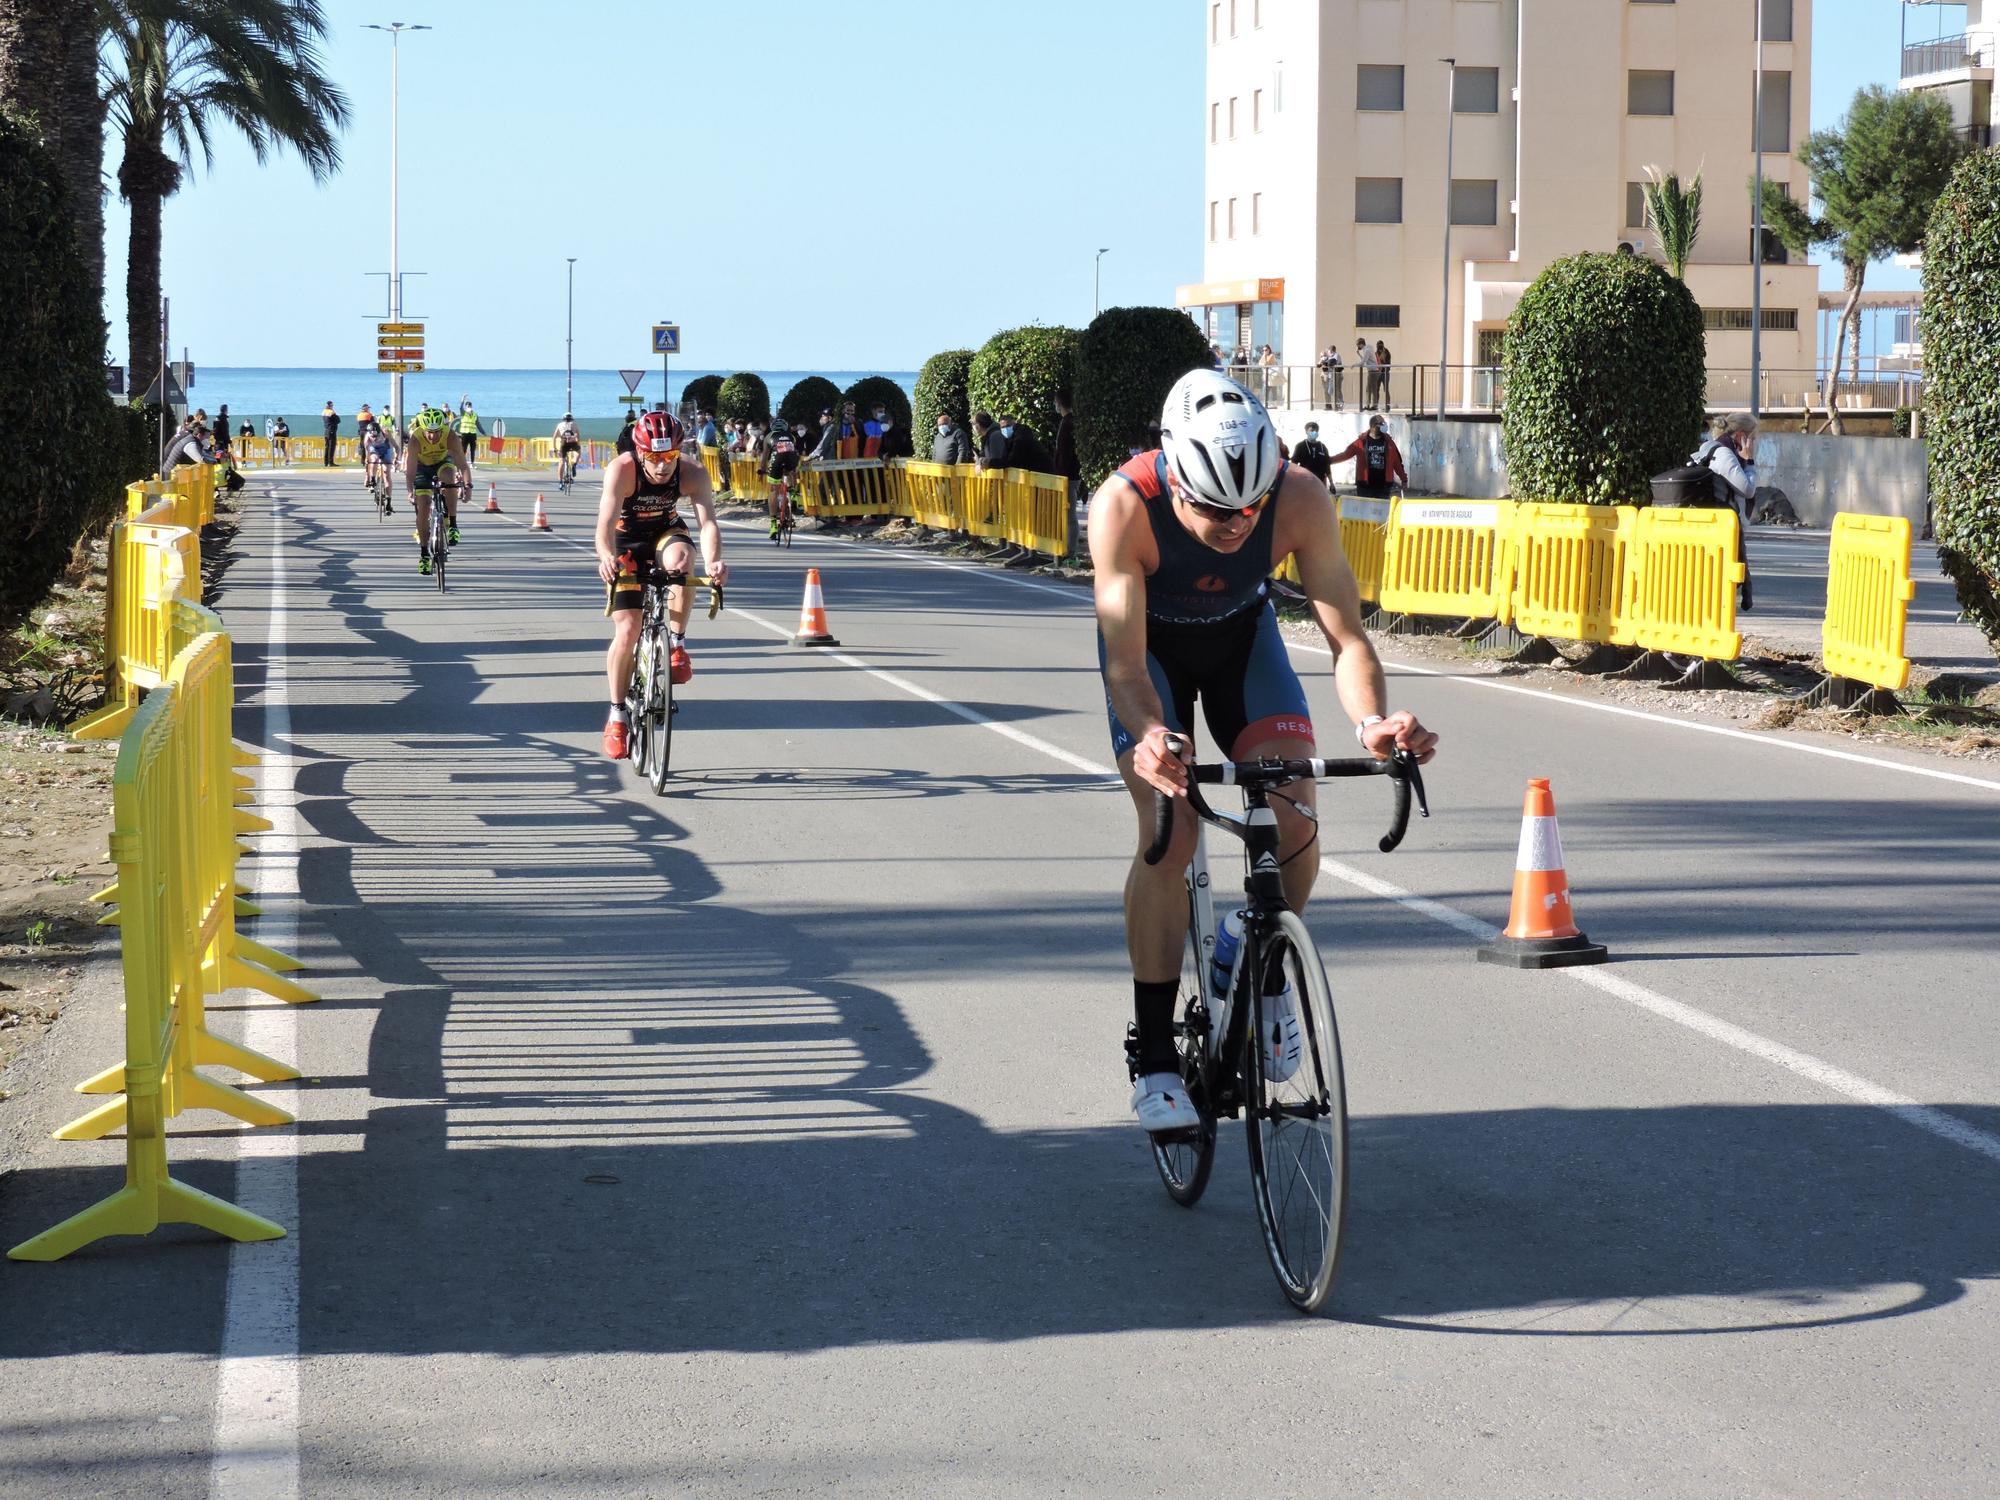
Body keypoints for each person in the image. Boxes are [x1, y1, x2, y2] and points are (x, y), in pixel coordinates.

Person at [1088, 370, 1438, 1133]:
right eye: (1215, 509)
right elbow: (1123, 663)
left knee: (1294, 815)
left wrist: (1374, 722)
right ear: (1173, 475)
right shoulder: (1123, 506)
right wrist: (1152, 738)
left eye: (1250, 507)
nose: (1238, 524)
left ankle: (1260, 963)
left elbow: (1346, 636)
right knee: (1172, 828)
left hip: (1243, 643)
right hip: (1152, 659)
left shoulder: (1302, 496)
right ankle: (1153, 1056)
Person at [594, 411, 729, 758]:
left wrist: (714, 560)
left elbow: (708, 522)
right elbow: (605, 524)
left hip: (665, 533)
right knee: (627, 631)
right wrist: (606, 556)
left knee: (683, 562)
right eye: (654, 457)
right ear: (639, 452)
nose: (662, 466)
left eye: (669, 456)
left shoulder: (692, 471)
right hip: (626, 543)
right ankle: (617, 715)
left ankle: (677, 645)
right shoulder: (622, 470)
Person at [1691, 413, 1759, 613]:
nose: (1754, 443)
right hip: (1720, 525)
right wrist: (1750, 462)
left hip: (1712, 522)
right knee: (1721, 577)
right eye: (1752, 438)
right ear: (1741, 436)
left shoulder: (1711, 447)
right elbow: (1747, 489)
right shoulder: (1724, 454)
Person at [403, 407, 469, 575]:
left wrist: (468, 486)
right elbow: (410, 471)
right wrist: (410, 491)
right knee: (423, 506)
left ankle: (453, 524)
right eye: (429, 432)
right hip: (421, 468)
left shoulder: (450, 436)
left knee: (449, 477)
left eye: (436, 432)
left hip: (442, 462)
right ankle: (424, 555)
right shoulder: (415, 439)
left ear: (442, 429)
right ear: (423, 430)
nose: (432, 436)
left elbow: (462, 464)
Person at [1330, 414, 1407, 498]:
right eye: (1382, 424)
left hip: (1383, 486)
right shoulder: (1361, 442)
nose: (1384, 426)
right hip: (1365, 486)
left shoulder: (1389, 442)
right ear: (1373, 426)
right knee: (1365, 509)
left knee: (1381, 509)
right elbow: (1345, 455)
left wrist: (1404, 479)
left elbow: (1397, 462)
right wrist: (1329, 460)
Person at [765, 417, 801, 538]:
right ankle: (793, 493)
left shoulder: (768, 436)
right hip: (791, 458)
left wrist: (761, 470)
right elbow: (793, 451)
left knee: (773, 490)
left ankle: (773, 524)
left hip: (777, 460)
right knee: (791, 470)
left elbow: (764, 457)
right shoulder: (792, 436)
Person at [1051, 390, 1080, 498]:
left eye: (1055, 401)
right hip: (1071, 474)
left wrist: (1060, 475)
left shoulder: (1067, 423)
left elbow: (1064, 451)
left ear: (1059, 402)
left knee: (1068, 511)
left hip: (1067, 476)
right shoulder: (1069, 421)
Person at [1290, 420, 1333, 486]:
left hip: (1319, 482)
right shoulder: (1300, 446)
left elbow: (1327, 466)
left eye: (1316, 431)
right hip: (1304, 481)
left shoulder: (1322, 447)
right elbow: (1294, 464)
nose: (1314, 433)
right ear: (1306, 432)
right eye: (1312, 431)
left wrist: (1331, 483)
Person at [364, 422, 397, 504]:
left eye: (376, 436)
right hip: (374, 449)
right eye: (372, 437)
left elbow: (396, 447)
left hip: (386, 450)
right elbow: (367, 458)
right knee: (373, 459)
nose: (374, 439)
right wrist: (367, 477)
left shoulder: (385, 433)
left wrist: (396, 458)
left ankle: (389, 501)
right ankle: (373, 480)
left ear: (379, 432)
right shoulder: (367, 438)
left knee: (386, 473)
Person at [554, 413, 582, 480]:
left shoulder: (559, 425)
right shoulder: (574, 424)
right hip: (573, 443)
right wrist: (578, 444)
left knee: (561, 462)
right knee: (578, 451)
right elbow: (578, 436)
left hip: (563, 444)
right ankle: (574, 464)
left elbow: (554, 437)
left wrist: (554, 448)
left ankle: (560, 482)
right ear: (571, 419)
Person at [457, 400, 482, 472]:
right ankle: (461, 463)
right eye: (467, 406)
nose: (469, 407)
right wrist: (462, 400)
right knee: (463, 450)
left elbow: (478, 425)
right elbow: (460, 408)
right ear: (465, 407)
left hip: (473, 434)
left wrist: (484, 433)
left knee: (472, 450)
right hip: (464, 434)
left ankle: (472, 463)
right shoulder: (463, 413)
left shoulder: (474, 414)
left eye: (470, 406)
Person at [1319, 345, 1343, 410]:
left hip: (1337, 375)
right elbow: (1327, 365)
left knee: (1337, 390)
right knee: (1331, 390)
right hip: (1332, 376)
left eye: (1328, 351)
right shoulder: (1331, 356)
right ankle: (1337, 404)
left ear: (1331, 351)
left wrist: (1326, 363)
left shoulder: (1336, 356)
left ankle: (1340, 404)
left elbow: (1333, 363)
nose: (1328, 353)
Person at [1354, 339, 1376, 411]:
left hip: (1372, 371)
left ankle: (1371, 405)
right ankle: (1370, 405)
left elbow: (1363, 362)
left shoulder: (1366, 350)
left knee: (1369, 389)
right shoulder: (1368, 348)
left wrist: (1354, 365)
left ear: (1361, 344)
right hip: (1372, 370)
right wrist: (1359, 354)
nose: (1357, 347)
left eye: (1358, 345)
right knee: (1370, 389)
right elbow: (1366, 360)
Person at [1372, 340, 1394, 410]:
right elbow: (1375, 363)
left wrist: (1383, 355)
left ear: (1383, 345)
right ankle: (1375, 405)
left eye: (1380, 345)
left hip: (1385, 373)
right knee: (1376, 389)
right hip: (1378, 373)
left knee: (1386, 389)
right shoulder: (1375, 353)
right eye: (1378, 345)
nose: (1379, 347)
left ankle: (1387, 405)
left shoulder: (1387, 352)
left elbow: (1387, 362)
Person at [321, 400, 340, 466]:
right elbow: (338, 420)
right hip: (332, 431)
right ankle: (330, 462)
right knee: (331, 447)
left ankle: (326, 462)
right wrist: (335, 413)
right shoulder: (331, 412)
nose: (332, 407)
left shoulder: (323, 412)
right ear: (330, 406)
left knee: (327, 447)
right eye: (332, 405)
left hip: (326, 431)